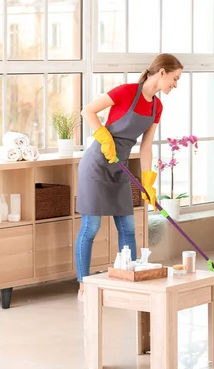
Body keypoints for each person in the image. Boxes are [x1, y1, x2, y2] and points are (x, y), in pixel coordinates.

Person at [75, 53, 183, 301]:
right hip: (97, 165)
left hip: (120, 167)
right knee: (91, 227)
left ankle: (131, 282)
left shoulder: (157, 106)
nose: (175, 85)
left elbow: (145, 147)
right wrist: (103, 136)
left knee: (128, 228)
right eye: (174, 79)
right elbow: (87, 110)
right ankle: (84, 286)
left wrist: (147, 180)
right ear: (162, 72)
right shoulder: (125, 91)